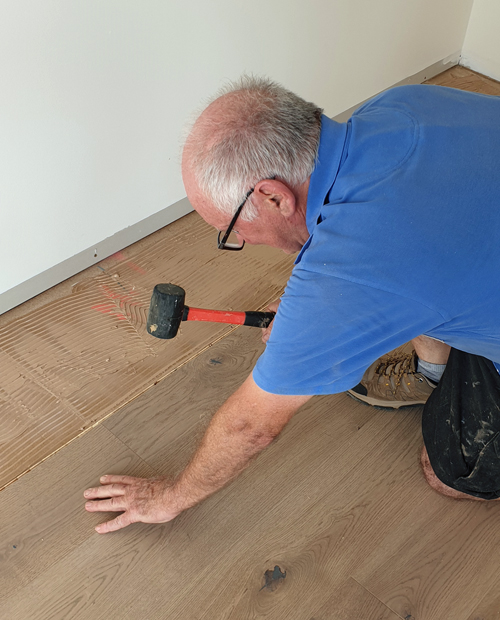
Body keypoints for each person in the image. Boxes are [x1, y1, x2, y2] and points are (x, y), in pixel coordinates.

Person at [84, 76, 500, 532]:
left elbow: (251, 426)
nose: (241, 238)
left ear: (274, 195)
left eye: (231, 230)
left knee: (453, 469)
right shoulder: (404, 102)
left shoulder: (353, 272)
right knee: (438, 265)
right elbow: (399, 247)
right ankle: (433, 374)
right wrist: (321, 311)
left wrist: (170, 497)